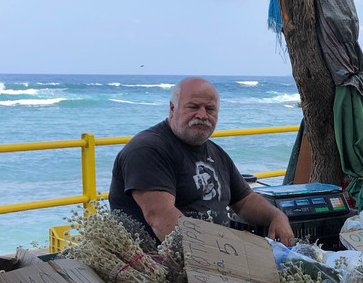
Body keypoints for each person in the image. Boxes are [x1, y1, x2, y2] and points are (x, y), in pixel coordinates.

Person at [109, 77, 295, 245]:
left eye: (210, 109)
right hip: (163, 263)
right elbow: (161, 217)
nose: (202, 115)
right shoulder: (148, 149)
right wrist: (215, 253)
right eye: (193, 107)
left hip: (217, 253)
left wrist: (276, 216)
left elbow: (245, 201)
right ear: (172, 108)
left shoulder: (215, 152)